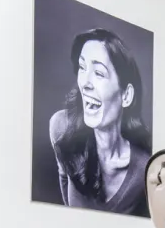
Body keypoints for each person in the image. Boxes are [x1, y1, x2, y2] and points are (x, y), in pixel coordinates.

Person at [48, 28, 151, 216]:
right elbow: (67, 199)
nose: (85, 83)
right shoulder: (61, 127)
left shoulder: (145, 168)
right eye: (82, 67)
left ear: (126, 96)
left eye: (99, 73)